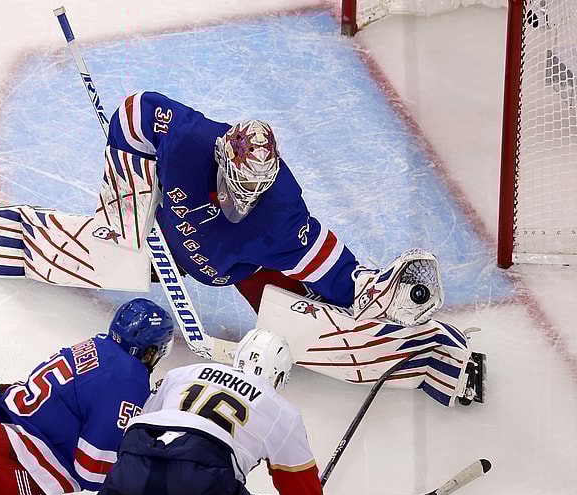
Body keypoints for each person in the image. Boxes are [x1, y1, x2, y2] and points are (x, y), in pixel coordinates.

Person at [106, 91, 444, 327]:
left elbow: (322, 259)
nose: (247, 199)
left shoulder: (280, 210)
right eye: (242, 186)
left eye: (257, 189)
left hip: (235, 269)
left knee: (289, 313)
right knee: (125, 232)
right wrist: (127, 195)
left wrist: (364, 287)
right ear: (222, 156)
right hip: (165, 238)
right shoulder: (188, 140)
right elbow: (133, 113)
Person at [0, 298, 175, 495]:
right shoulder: (128, 379)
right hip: (5, 466)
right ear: (150, 352)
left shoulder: (99, 344)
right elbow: (92, 470)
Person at [89, 328, 324, 495]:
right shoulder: (283, 411)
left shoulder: (183, 373)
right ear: (279, 375)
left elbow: (141, 421)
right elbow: (301, 491)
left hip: (134, 461)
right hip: (202, 476)